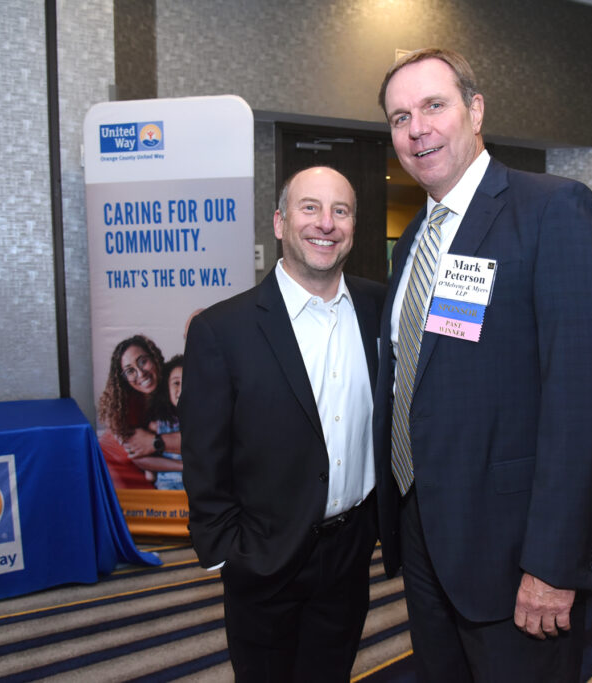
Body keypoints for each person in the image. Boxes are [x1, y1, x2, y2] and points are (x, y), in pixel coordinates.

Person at [372, 48, 592, 681]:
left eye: (434, 106)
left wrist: (554, 563)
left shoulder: (554, 210)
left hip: (515, 553)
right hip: (424, 533)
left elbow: (584, 403)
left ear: (476, 110)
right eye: (400, 117)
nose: (417, 129)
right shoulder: (414, 240)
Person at [180, 166, 385, 682]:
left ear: (353, 227)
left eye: (341, 211)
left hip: (352, 552)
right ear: (279, 222)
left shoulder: (380, 308)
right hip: (263, 558)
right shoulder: (221, 330)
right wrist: (227, 554)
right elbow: (204, 456)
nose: (326, 223)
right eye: (309, 207)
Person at [97, 335, 180, 488]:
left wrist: (154, 441)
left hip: (156, 468)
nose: (141, 374)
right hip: (117, 468)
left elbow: (203, 438)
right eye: (130, 371)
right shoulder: (123, 407)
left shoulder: (174, 382)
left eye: (143, 362)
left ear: (154, 357)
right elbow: (137, 454)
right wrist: (184, 466)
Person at [146, 354, 184, 490]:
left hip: (199, 490)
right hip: (167, 490)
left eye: (189, 382)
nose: (182, 389)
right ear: (167, 388)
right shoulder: (157, 425)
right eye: (176, 383)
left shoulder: (208, 421)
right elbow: (149, 475)